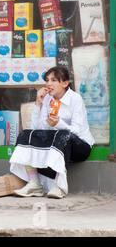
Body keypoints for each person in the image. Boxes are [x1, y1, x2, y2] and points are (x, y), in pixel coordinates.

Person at [10, 66, 94, 199]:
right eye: (47, 80)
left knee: (63, 134)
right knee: (26, 134)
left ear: (65, 83)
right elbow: (37, 129)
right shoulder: (48, 99)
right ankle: (34, 184)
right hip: (57, 144)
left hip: (80, 146)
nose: (48, 84)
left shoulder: (75, 99)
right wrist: (39, 103)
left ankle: (58, 186)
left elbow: (77, 130)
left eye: (54, 80)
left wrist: (59, 123)